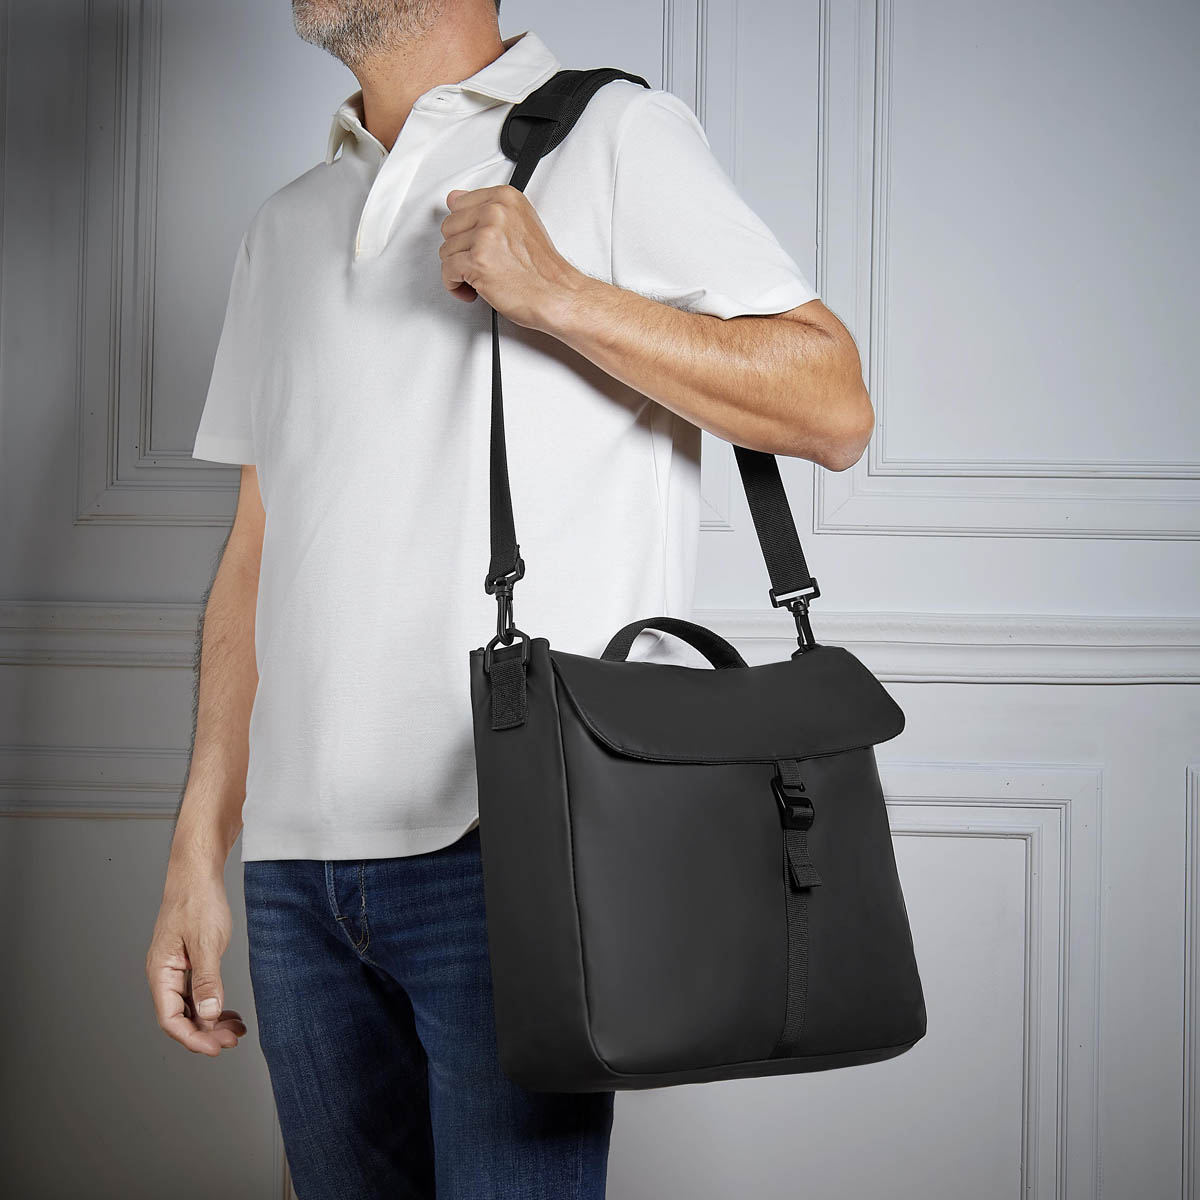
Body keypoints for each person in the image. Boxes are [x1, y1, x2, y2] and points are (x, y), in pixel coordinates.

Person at [144, 0, 873, 1196]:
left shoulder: (615, 136)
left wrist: (561, 294)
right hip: (294, 875)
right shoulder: (286, 224)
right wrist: (198, 850)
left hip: (511, 847)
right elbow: (254, 556)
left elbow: (834, 404)